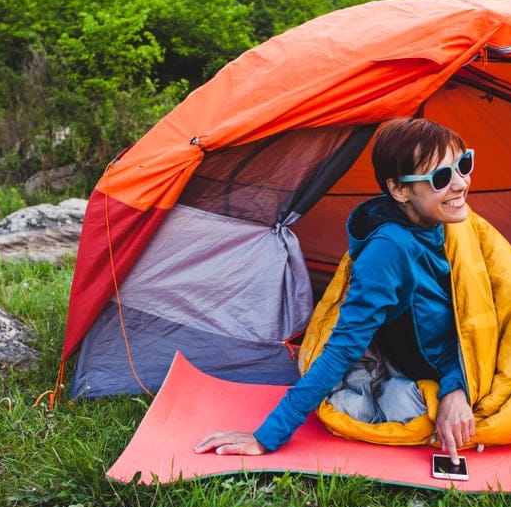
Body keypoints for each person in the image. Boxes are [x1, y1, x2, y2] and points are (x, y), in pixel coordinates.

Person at [195, 117, 476, 464]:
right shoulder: (389, 249)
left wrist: (456, 387)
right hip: (428, 360)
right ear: (400, 190)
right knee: (369, 406)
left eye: (464, 164)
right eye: (440, 178)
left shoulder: (448, 223)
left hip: (450, 360)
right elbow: (344, 346)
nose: (461, 183)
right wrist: (267, 435)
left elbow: (488, 305)